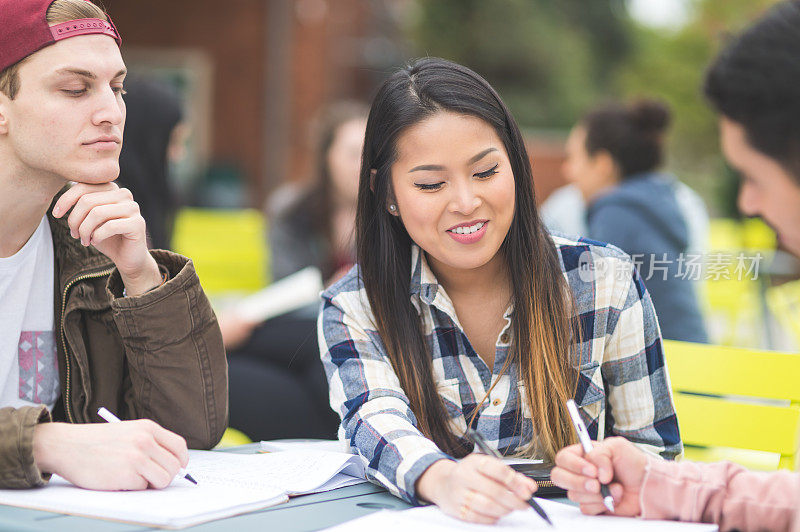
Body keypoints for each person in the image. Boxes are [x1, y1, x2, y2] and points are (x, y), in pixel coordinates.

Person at [319, 57, 681, 525]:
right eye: (431, 184)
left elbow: (656, 455)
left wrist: (616, 475)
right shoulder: (354, 305)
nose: (467, 203)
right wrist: (443, 479)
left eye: (486, 172)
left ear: (515, 165)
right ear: (386, 192)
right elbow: (375, 420)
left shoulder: (603, 281)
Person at [552, 2, 800, 530]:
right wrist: (661, 484)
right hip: (697, 376)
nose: (750, 204)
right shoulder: (669, 198)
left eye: (753, 176)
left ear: (603, 164)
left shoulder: (613, 219)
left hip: (673, 387)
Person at [0, 0, 228, 490]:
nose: (111, 113)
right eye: (76, 89)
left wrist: (143, 277)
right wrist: (45, 444)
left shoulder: (88, 248)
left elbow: (190, 431)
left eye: (117, 87)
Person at [219, 102, 367, 440]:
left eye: (371, 153)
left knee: (244, 346)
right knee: (227, 372)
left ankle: (207, 342)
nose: (363, 165)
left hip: (353, 333)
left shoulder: (394, 215)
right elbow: (286, 289)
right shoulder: (293, 210)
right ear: (326, 156)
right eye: (352, 153)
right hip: (298, 326)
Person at [562, 99, 709, 343]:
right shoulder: (660, 201)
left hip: (664, 368)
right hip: (696, 358)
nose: (568, 171)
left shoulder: (615, 215)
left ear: (602, 164)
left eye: (573, 159)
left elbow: (588, 310)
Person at [116, 76, 186, 250]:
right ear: (149, 140)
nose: (178, 155)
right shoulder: (112, 208)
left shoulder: (152, 202)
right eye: (173, 141)